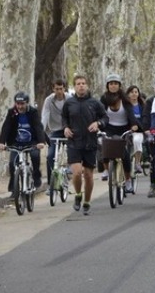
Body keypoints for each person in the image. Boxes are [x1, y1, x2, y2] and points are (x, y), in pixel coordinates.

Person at [62, 75, 109, 215]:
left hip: (90, 142)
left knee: (88, 175)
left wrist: (98, 123)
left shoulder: (94, 102)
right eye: (78, 84)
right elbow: (64, 118)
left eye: (83, 83)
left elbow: (105, 117)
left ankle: (87, 201)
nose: (81, 86)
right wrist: (65, 128)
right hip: (74, 142)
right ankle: (78, 194)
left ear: (87, 85)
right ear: (74, 86)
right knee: (76, 173)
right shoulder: (69, 103)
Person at [0, 92, 46, 199]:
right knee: (12, 163)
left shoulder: (33, 112)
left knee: (34, 155)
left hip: (32, 141)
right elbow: (6, 127)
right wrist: (2, 142)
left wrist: (41, 142)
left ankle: (36, 175)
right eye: (17, 104)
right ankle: (13, 189)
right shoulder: (12, 112)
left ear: (27, 103)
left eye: (22, 104)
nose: (19, 106)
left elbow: (38, 127)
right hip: (16, 142)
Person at [100, 74, 139, 192]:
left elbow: (131, 114)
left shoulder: (125, 99)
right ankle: (106, 169)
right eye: (111, 83)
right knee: (104, 146)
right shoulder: (103, 99)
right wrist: (97, 124)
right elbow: (99, 113)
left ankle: (127, 180)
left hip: (124, 129)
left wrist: (134, 125)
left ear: (119, 85)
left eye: (115, 83)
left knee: (125, 154)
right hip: (109, 128)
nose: (113, 86)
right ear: (107, 86)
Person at [41, 79, 67, 190]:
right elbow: (45, 116)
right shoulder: (49, 100)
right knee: (50, 155)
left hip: (68, 129)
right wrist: (41, 131)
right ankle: (51, 183)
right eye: (57, 89)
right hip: (55, 130)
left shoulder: (70, 99)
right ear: (53, 89)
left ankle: (67, 173)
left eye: (61, 89)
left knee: (73, 151)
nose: (59, 91)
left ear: (64, 89)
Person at [126, 85, 146, 174]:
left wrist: (140, 127)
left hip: (139, 131)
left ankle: (137, 162)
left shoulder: (143, 106)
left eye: (136, 92)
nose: (134, 94)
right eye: (132, 92)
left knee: (137, 140)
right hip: (127, 130)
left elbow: (145, 119)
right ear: (128, 94)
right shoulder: (125, 106)